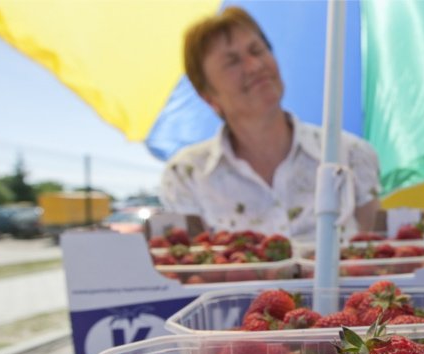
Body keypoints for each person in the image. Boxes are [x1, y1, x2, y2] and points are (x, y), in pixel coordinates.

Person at [160, 6, 381, 241]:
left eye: (257, 50)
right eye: (232, 61)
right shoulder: (186, 175)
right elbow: (190, 267)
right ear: (208, 96)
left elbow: (375, 258)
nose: (254, 66)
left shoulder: (352, 154)